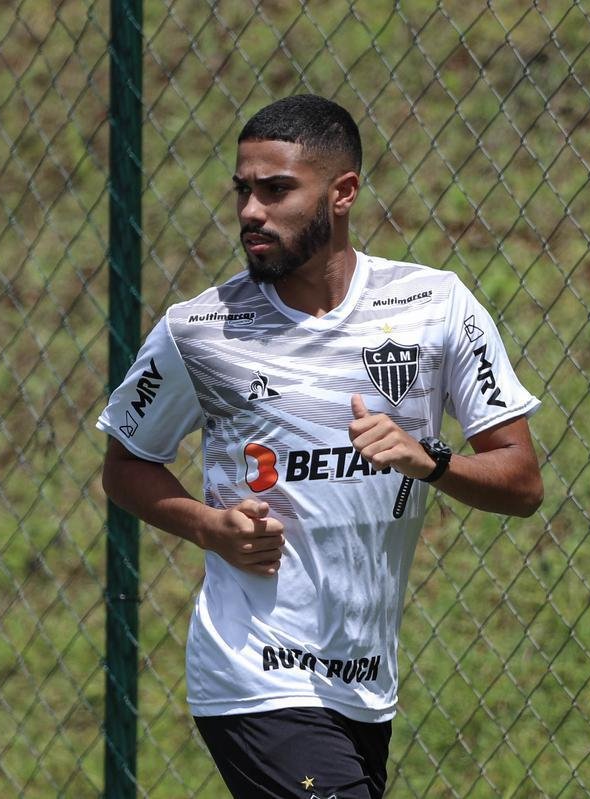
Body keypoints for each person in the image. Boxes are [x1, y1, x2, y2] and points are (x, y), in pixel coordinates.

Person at [98, 94, 543, 799]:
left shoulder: (436, 306)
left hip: (366, 684)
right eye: (243, 190)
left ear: (342, 193)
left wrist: (429, 459)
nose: (250, 211)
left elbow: (521, 482)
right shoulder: (200, 329)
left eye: (276, 190)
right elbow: (125, 465)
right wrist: (209, 526)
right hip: (252, 676)